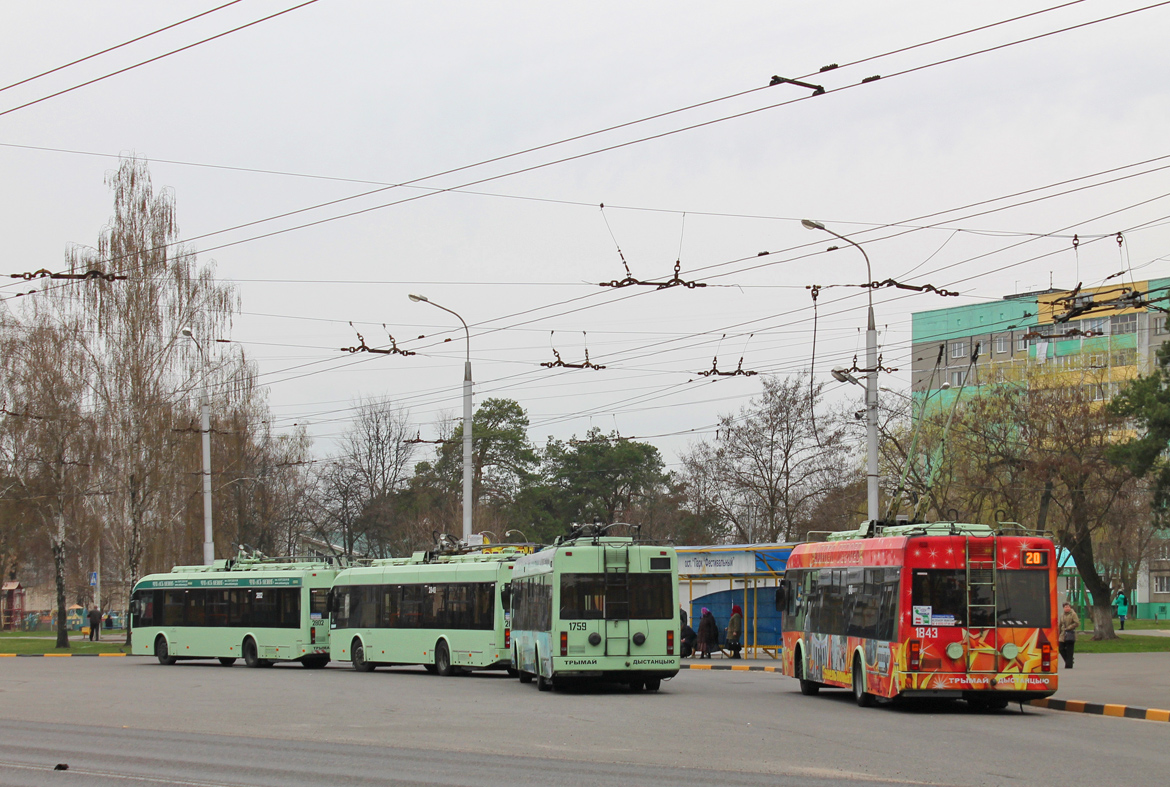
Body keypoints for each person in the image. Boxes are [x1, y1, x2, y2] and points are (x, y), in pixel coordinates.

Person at [1058, 601, 1079, 669]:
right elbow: (1060, 624)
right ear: (1063, 608)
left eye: (1068, 607)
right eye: (1065, 607)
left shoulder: (1073, 614)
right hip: (1063, 634)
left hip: (1070, 634)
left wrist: (1069, 627)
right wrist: (1059, 632)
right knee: (1061, 648)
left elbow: (1077, 623)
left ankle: (1069, 665)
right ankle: (1069, 660)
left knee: (1070, 650)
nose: (1067, 608)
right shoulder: (1062, 615)